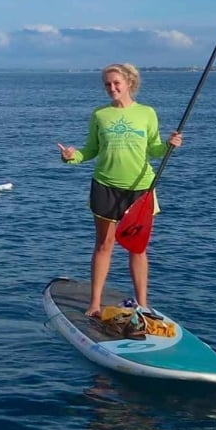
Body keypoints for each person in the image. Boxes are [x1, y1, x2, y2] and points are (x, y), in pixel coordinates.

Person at [57, 63, 182, 319]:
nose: (111, 88)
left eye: (116, 83)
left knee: (137, 248)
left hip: (141, 189)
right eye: (107, 84)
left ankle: (143, 304)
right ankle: (94, 303)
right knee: (104, 244)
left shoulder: (147, 113)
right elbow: (90, 150)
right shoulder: (100, 115)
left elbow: (154, 149)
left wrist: (170, 145)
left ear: (129, 83)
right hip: (105, 186)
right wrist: (71, 156)